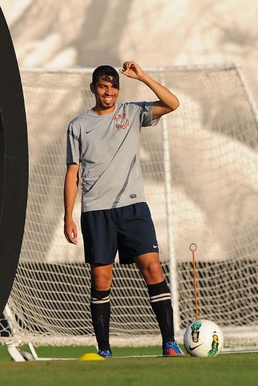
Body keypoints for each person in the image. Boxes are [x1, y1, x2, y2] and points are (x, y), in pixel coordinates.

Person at [63, 60, 183, 357]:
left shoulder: (130, 112)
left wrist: (142, 76)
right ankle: (104, 350)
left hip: (133, 208)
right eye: (103, 86)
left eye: (114, 86)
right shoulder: (78, 125)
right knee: (101, 278)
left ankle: (169, 342)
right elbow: (72, 172)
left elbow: (173, 103)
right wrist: (68, 215)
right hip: (96, 212)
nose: (109, 92)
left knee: (153, 268)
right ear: (93, 88)